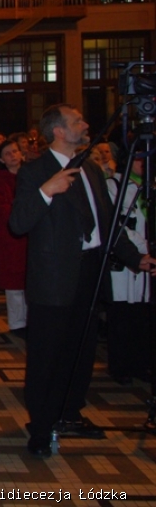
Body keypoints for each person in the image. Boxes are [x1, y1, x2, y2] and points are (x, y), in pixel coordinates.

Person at [9, 104, 155, 458]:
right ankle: (40, 427)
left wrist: (136, 258)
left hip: (90, 272)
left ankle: (69, 413)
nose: (86, 124)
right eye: (77, 121)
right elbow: (18, 223)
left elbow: (108, 224)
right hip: (54, 278)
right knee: (47, 355)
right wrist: (46, 191)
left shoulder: (89, 168)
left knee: (80, 351)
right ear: (58, 131)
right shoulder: (35, 171)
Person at [105, 157, 152, 385]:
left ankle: (141, 363)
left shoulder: (150, 186)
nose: (144, 163)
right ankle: (120, 366)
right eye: (139, 158)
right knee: (121, 314)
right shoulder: (114, 185)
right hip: (125, 260)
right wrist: (142, 247)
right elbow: (116, 224)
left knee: (143, 314)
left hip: (148, 261)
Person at [0, 140, 28, 335]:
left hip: (30, 234)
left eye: (15, 151)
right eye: (8, 153)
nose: (13, 155)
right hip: (10, 235)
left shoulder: (29, 174)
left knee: (30, 279)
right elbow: (1, 208)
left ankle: (32, 320)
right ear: (2, 159)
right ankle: (17, 323)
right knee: (13, 282)